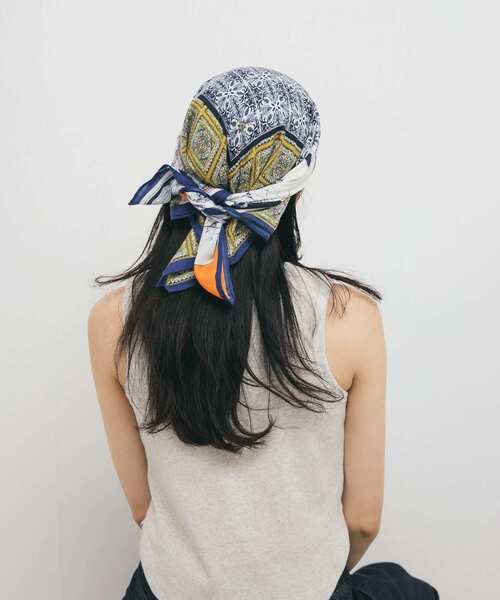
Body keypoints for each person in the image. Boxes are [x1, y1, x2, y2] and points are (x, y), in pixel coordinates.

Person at [88, 66, 439, 599]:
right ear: (294, 191)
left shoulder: (113, 320)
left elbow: (143, 507)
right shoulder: (350, 317)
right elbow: (363, 520)